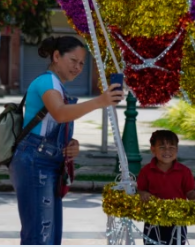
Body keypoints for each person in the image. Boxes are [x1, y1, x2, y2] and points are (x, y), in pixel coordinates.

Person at [9, 35, 123, 245]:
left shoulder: (57, 85)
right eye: (73, 60)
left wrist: (71, 144)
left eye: (81, 63)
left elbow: (56, 122)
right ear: (56, 56)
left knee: (48, 236)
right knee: (40, 236)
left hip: (46, 161)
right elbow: (60, 113)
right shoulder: (47, 81)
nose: (78, 67)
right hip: (35, 161)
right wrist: (100, 100)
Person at [137, 130, 195, 245]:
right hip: (154, 218)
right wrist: (143, 194)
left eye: (171, 147)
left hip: (178, 218)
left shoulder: (184, 171)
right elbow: (141, 190)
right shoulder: (146, 171)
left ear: (177, 150)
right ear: (153, 149)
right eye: (162, 147)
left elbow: (189, 191)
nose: (167, 151)